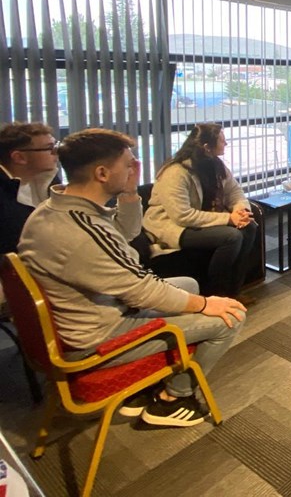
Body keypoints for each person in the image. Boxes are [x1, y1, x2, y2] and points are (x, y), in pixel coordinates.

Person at [17, 128, 246, 427]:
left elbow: (125, 234)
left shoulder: (54, 209)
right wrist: (205, 304)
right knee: (231, 317)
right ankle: (173, 399)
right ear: (102, 173)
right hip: (98, 338)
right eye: (128, 164)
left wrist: (128, 193)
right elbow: (142, 289)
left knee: (188, 284)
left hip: (92, 313)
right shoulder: (82, 232)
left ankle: (149, 384)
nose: (133, 168)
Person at [143, 123, 258, 298]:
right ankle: (215, 294)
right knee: (232, 236)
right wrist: (229, 219)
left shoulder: (216, 164)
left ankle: (233, 291)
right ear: (207, 147)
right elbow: (182, 216)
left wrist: (241, 211)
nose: (226, 143)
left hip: (203, 220)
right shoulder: (175, 172)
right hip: (174, 226)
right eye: (222, 140)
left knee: (250, 226)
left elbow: (234, 191)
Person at [0, 122, 60, 255]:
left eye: (56, 145)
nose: (57, 152)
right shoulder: (4, 194)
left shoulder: (49, 180)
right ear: (19, 157)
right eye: (49, 148)